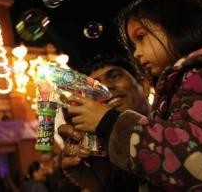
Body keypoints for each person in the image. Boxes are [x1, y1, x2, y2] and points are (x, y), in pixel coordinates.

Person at [64, 0, 202, 190]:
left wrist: (111, 123)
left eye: (141, 37)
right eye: (133, 45)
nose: (137, 54)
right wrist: (105, 183)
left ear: (180, 25)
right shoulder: (190, 83)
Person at [60, 54, 151, 191]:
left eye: (114, 76)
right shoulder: (102, 162)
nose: (106, 88)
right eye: (95, 87)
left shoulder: (179, 126)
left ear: (144, 85)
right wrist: (99, 185)